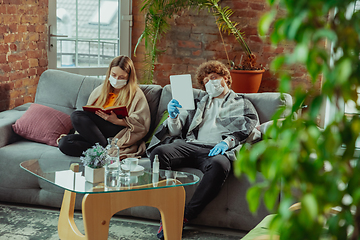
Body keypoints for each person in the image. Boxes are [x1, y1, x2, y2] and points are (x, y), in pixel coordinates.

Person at [146, 60, 259, 239]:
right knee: (159, 153)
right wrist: (173, 117)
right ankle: (168, 211)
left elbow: (250, 125)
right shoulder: (198, 101)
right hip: (191, 145)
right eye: (205, 81)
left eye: (213, 78)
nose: (209, 83)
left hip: (217, 150)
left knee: (220, 165)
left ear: (226, 78)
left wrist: (227, 142)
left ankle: (184, 216)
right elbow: (176, 129)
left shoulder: (241, 102)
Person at [58, 55, 151, 159]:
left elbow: (142, 125)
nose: (116, 79)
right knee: (64, 143)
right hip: (96, 133)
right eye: (114, 75)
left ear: (129, 77)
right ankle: (104, 151)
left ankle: (106, 149)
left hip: (119, 131)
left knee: (76, 115)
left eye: (122, 77)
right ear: (109, 73)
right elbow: (88, 118)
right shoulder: (100, 90)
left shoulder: (136, 94)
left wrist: (117, 121)